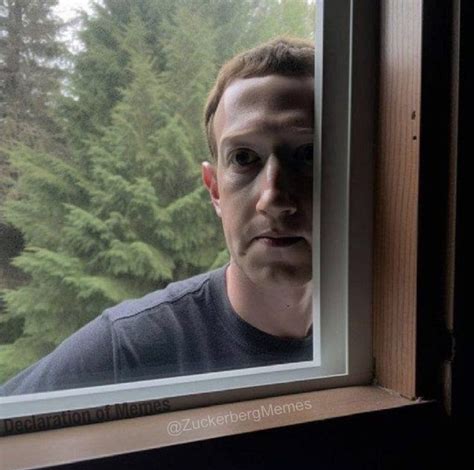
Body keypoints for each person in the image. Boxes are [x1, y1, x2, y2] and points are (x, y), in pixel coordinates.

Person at [1, 36, 314, 395]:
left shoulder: (367, 337)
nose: (273, 198)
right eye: (243, 158)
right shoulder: (126, 351)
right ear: (214, 189)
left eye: (309, 154)